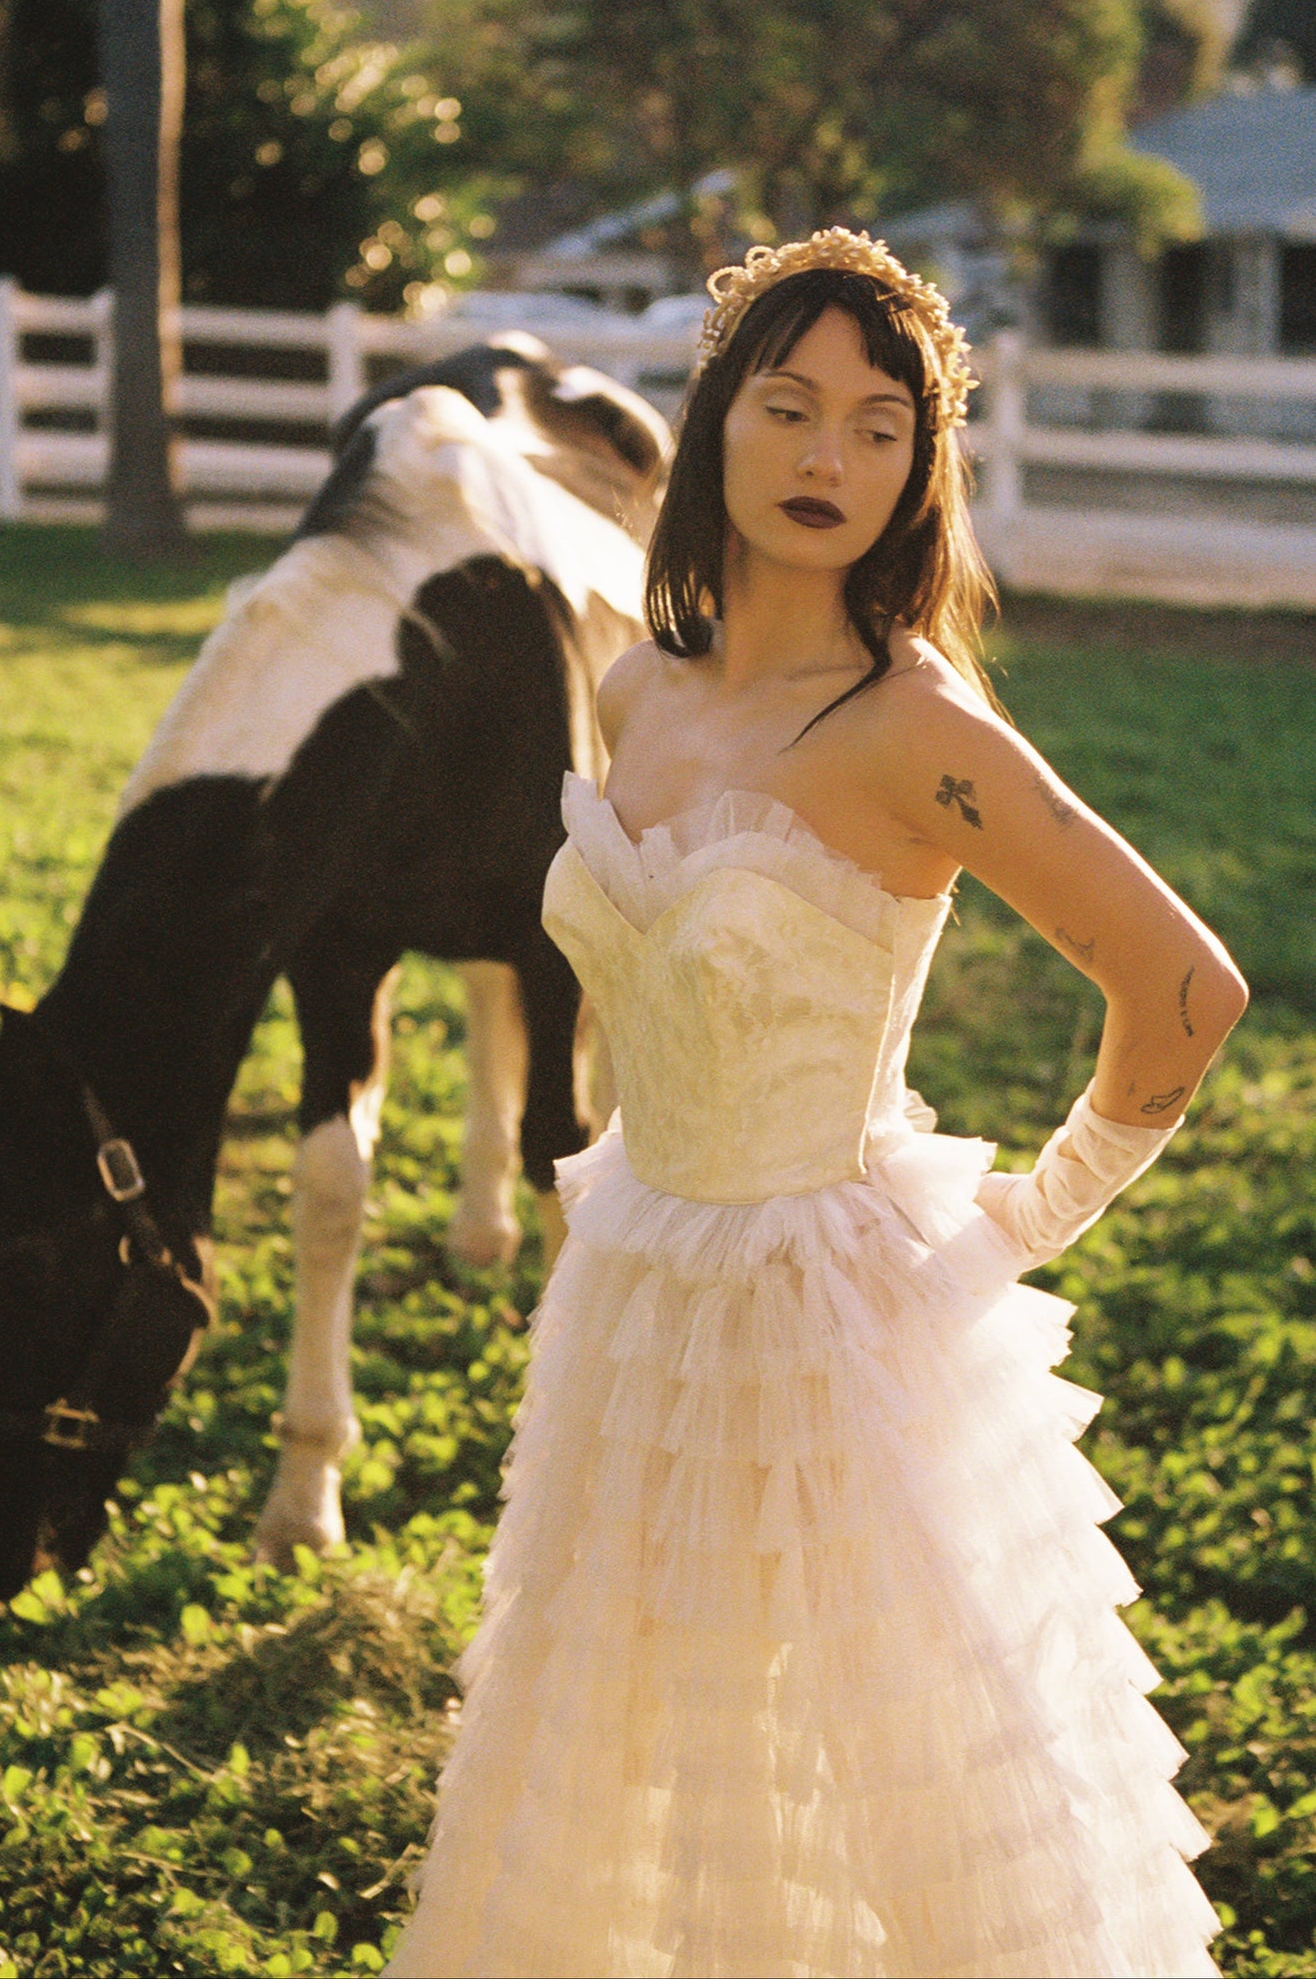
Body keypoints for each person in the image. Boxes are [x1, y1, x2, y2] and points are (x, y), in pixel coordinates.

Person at [385, 228, 1246, 1979]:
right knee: (637, 1745)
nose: (826, 458)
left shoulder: (910, 728)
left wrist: (1017, 1228)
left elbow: (1182, 990)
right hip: (633, 1280)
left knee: (886, 1772)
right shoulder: (637, 686)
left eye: (876, 427)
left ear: (920, 467)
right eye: (786, 409)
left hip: (833, 1310)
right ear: (714, 422)